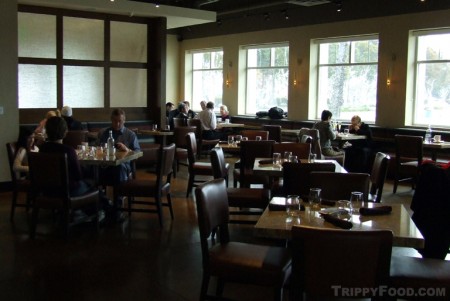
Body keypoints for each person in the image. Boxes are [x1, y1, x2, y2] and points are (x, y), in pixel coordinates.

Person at [97, 109, 140, 220]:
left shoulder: (130, 135)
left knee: (119, 168)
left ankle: (118, 207)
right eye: (115, 121)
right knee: (92, 171)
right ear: (111, 120)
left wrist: (126, 149)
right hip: (105, 165)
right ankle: (102, 205)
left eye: (120, 121)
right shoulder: (104, 133)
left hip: (123, 167)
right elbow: (97, 149)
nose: (117, 124)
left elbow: (138, 153)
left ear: (124, 120)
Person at [39, 116, 92, 197]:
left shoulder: (42, 149)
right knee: (92, 186)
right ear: (65, 132)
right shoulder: (69, 151)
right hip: (67, 191)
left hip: (47, 191)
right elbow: (78, 176)